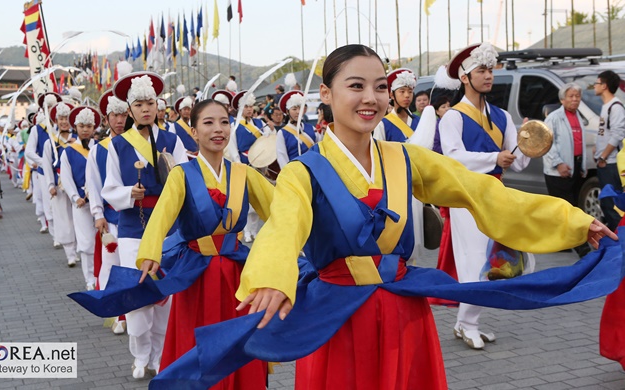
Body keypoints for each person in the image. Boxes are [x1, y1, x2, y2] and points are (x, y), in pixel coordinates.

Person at [149, 44, 618, 390]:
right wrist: (271, 277)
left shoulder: (405, 158)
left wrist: (574, 221)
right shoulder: (301, 171)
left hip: (402, 311)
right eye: (355, 86)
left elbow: (486, 195)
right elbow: (283, 225)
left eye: (379, 86)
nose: (370, 97)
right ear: (327, 96)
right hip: (336, 318)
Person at [131, 99, 273, 386]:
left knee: (239, 343)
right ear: (194, 132)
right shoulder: (181, 175)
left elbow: (283, 213)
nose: (218, 129)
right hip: (197, 276)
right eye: (208, 123)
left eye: (224, 122)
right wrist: (149, 252)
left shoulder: (245, 174)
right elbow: (161, 217)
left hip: (238, 277)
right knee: (196, 341)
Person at [439, 42, 532, 349]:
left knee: (500, 260)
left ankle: (466, 323)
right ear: (465, 77)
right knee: (476, 262)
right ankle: (468, 324)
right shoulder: (452, 117)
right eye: (482, 70)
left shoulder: (502, 116)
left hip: (494, 194)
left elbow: (516, 159)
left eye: (491, 70)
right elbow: (452, 158)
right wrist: (494, 158)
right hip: (466, 197)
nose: (489, 76)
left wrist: (528, 142)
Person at [102, 71, 188, 379]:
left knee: (165, 294)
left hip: (169, 227)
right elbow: (108, 187)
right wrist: (129, 193)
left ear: (157, 105)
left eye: (150, 102)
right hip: (132, 226)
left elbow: (187, 178)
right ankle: (140, 355)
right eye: (139, 104)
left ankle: (161, 355)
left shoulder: (172, 139)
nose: (146, 109)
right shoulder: (118, 145)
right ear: (130, 109)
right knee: (138, 294)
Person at [86, 89, 128, 334]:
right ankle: (116, 314)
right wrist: (97, 214)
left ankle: (133, 313)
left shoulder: (137, 144)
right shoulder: (98, 150)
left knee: (132, 267)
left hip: (135, 217)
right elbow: (93, 184)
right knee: (111, 266)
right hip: (111, 218)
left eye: (123, 114)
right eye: (115, 115)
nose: (120, 120)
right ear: (107, 118)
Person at [543, 83, 591, 257]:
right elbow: (547, 144)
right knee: (567, 207)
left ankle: (563, 242)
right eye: (570, 96)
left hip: (575, 166)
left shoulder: (578, 116)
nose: (574, 99)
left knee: (572, 206)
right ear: (562, 99)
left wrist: (583, 165)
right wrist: (558, 163)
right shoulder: (554, 118)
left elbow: (580, 143)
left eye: (577, 96)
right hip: (558, 169)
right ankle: (581, 246)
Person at [61, 106, 101, 290]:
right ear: (75, 127)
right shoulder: (68, 151)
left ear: (94, 128)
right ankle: (89, 278)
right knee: (86, 242)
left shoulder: (100, 148)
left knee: (103, 239)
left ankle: (103, 275)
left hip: (100, 202)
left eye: (88, 126)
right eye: (82, 126)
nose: (85, 129)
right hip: (81, 204)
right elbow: (66, 178)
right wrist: (75, 197)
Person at [42, 102, 79, 267]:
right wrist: (50, 184)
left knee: (79, 219)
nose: (64, 121)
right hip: (59, 186)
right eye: (61, 118)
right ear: (56, 120)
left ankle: (80, 248)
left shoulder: (78, 140)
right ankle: (70, 253)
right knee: (63, 219)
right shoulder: (50, 142)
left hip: (78, 185)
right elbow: (47, 165)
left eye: (66, 118)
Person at [25, 92, 61, 236]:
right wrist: (44, 163)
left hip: (62, 172)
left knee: (63, 206)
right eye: (49, 107)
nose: (52, 109)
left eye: (54, 107)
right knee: (49, 205)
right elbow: (29, 152)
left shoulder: (63, 128)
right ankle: (55, 235)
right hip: (45, 173)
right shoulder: (37, 129)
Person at [594, 70, 625, 231]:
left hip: (611, 163)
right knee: (607, 204)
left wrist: (603, 157)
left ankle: (620, 242)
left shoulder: (615, 107)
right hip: (605, 161)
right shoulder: (606, 106)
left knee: (613, 206)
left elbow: (618, 134)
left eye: (597, 82)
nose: (595, 86)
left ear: (604, 86)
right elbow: (604, 133)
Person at [373, 68, 420, 142]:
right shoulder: (383, 124)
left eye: (410, 91)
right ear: (392, 95)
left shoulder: (419, 121)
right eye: (402, 91)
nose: (407, 95)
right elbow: (377, 151)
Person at [276, 91, 317, 169]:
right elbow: (282, 157)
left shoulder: (312, 128)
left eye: (300, 108)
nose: (298, 112)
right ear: (287, 111)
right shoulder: (282, 133)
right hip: (295, 172)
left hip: (313, 169)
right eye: (294, 109)